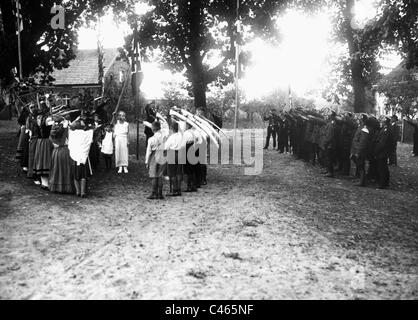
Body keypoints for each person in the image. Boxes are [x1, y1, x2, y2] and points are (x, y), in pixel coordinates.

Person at [68, 116, 94, 197]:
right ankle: (83, 192)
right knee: (83, 175)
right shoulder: (86, 134)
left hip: (75, 157)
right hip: (83, 157)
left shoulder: (72, 133)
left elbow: (70, 127)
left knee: (76, 175)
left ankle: (77, 191)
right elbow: (92, 131)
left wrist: (76, 119)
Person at [49, 119, 74, 194]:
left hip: (56, 151)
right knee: (65, 168)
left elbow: (50, 139)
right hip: (65, 151)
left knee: (57, 168)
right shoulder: (66, 129)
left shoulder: (53, 128)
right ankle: (65, 187)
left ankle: (57, 186)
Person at [145, 121, 169, 200]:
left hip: (154, 156)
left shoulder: (151, 139)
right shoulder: (164, 137)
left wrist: (146, 161)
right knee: (160, 175)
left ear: (152, 129)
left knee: (154, 176)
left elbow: (148, 151)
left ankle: (153, 193)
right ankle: (160, 194)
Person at [33, 104, 54, 190]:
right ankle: (46, 183)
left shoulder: (38, 118)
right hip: (46, 141)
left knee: (40, 160)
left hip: (39, 141)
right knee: (46, 160)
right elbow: (52, 128)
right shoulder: (48, 119)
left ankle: (43, 182)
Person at [351, 115, 371, 187]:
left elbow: (363, 141)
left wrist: (358, 151)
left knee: (361, 165)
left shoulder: (364, 128)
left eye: (360, 119)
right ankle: (360, 179)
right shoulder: (361, 127)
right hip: (357, 149)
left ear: (363, 120)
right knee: (359, 165)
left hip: (361, 150)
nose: (359, 120)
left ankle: (362, 182)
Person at [164, 121, 183, 197]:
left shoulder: (171, 137)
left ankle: (174, 190)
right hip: (180, 153)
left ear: (171, 129)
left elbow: (166, 147)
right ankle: (178, 189)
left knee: (172, 173)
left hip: (172, 153)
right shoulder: (181, 136)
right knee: (178, 172)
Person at [374, 116, 393, 189]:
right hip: (384, 151)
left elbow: (382, 143)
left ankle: (382, 183)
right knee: (384, 167)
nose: (381, 123)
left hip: (383, 151)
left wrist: (376, 151)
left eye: (382, 121)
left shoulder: (386, 130)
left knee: (382, 167)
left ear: (385, 122)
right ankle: (385, 182)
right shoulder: (386, 128)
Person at [323, 111, 338, 178]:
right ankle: (328, 170)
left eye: (328, 115)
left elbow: (329, 136)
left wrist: (325, 143)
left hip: (329, 145)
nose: (327, 116)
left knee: (329, 158)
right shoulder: (330, 124)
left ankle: (330, 172)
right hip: (329, 144)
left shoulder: (330, 125)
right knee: (327, 158)